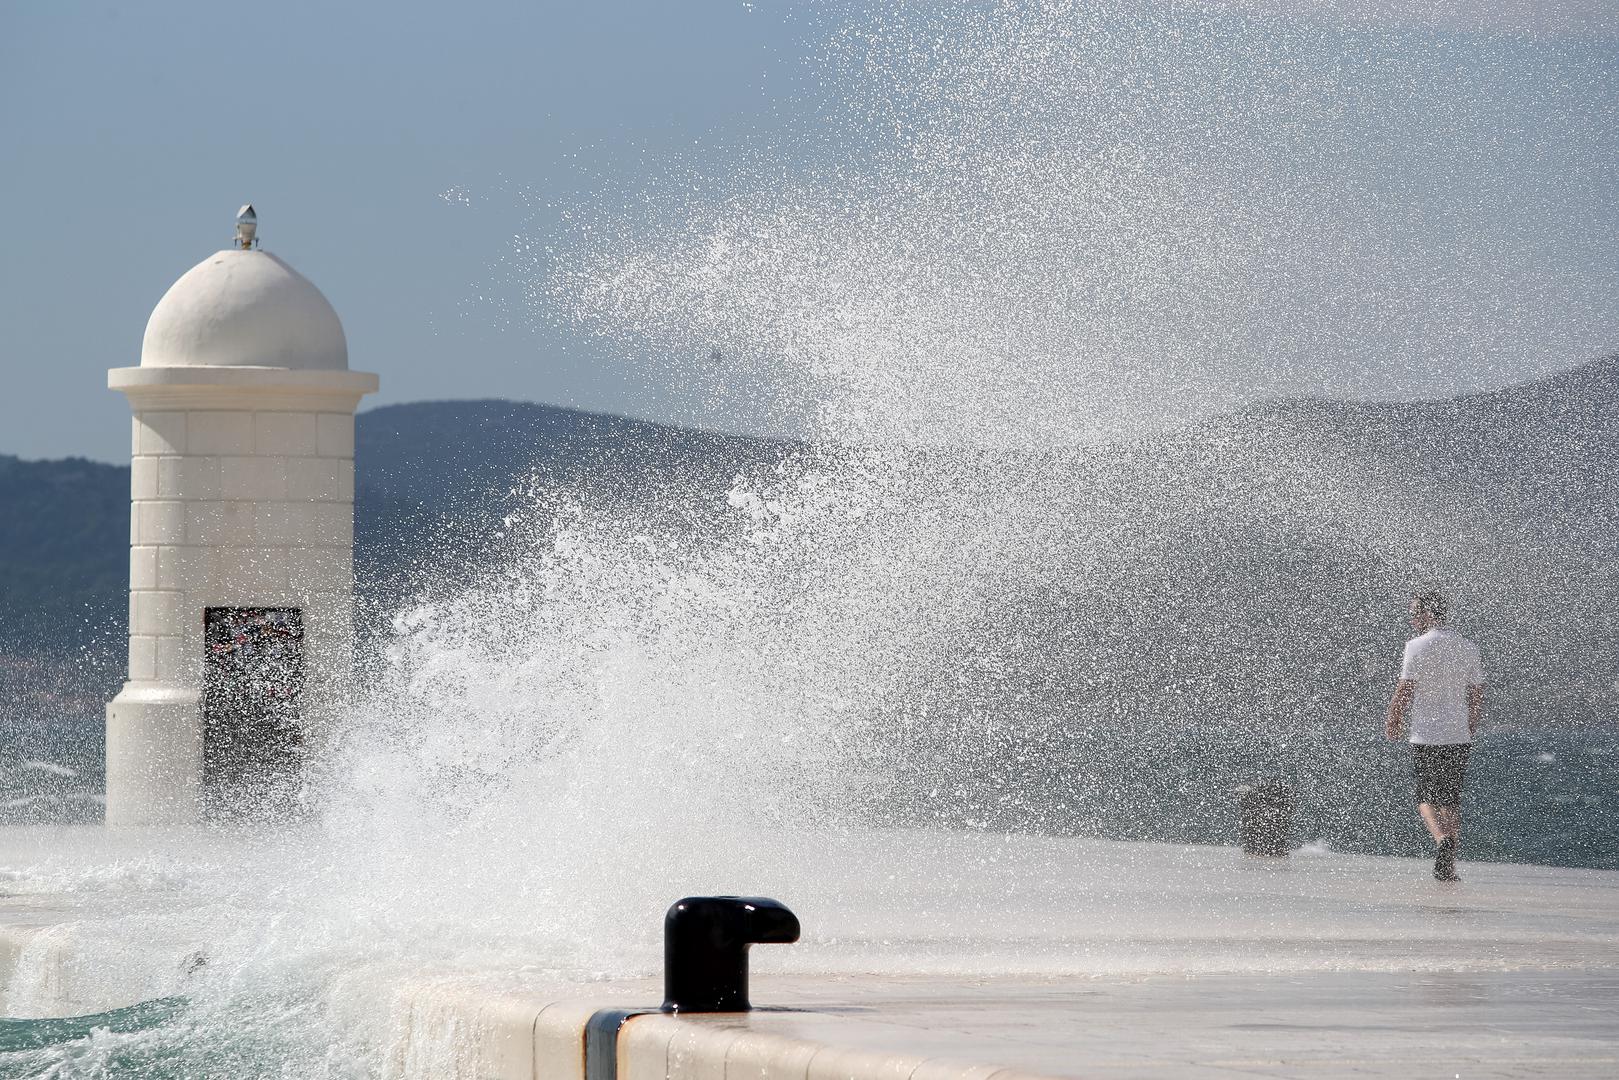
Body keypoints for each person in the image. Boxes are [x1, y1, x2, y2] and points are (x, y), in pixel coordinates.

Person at [1385, 589, 1484, 881]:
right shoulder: (1468, 647)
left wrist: (1393, 718)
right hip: (1458, 735)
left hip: (1425, 735)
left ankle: (1441, 839)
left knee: (1425, 797)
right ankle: (1450, 867)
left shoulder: (1416, 646)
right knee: (1451, 800)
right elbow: (1477, 692)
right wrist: (1471, 722)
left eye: (1415, 612)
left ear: (1429, 614)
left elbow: (1405, 689)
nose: (1412, 618)